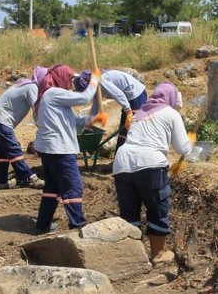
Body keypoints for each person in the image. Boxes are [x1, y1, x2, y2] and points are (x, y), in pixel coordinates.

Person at [112, 81, 194, 266]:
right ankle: (157, 255)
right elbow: (182, 148)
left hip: (122, 163)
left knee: (130, 213)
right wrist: (190, 142)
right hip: (151, 164)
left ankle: (133, 258)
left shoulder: (140, 112)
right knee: (158, 208)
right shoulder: (171, 113)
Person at [33, 64, 103, 233]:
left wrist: (94, 118)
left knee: (52, 188)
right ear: (60, 77)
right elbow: (84, 97)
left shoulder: (54, 97)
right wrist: (95, 79)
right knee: (73, 186)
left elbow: (75, 122)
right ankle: (77, 225)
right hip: (59, 150)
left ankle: (42, 225)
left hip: (51, 149)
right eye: (70, 79)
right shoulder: (53, 93)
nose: (71, 84)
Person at [0, 66, 47, 189]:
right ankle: (29, 178)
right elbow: (37, 110)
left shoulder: (27, 85)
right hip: (2, 119)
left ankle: (2, 181)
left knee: (3, 151)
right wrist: (44, 128)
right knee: (13, 148)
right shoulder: (32, 87)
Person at [73, 68, 147, 148]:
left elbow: (118, 94)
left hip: (136, 94)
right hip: (128, 99)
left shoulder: (101, 80)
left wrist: (128, 112)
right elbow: (96, 106)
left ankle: (138, 152)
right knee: (123, 130)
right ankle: (120, 154)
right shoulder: (95, 85)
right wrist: (89, 123)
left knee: (133, 129)